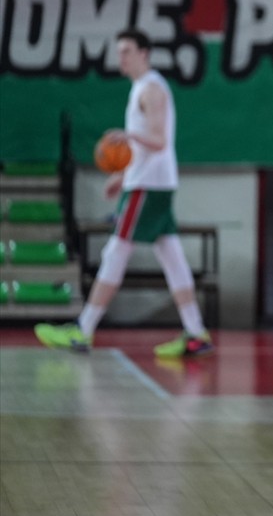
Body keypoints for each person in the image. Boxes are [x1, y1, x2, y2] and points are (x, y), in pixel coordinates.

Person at [35, 29, 213, 358]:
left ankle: (83, 329)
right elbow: (151, 145)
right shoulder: (141, 89)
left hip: (148, 186)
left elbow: (159, 141)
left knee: (116, 252)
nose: (122, 57)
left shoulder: (152, 90)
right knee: (171, 257)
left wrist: (126, 136)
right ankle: (196, 331)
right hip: (149, 181)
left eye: (128, 51)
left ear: (145, 53)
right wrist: (123, 173)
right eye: (119, 51)